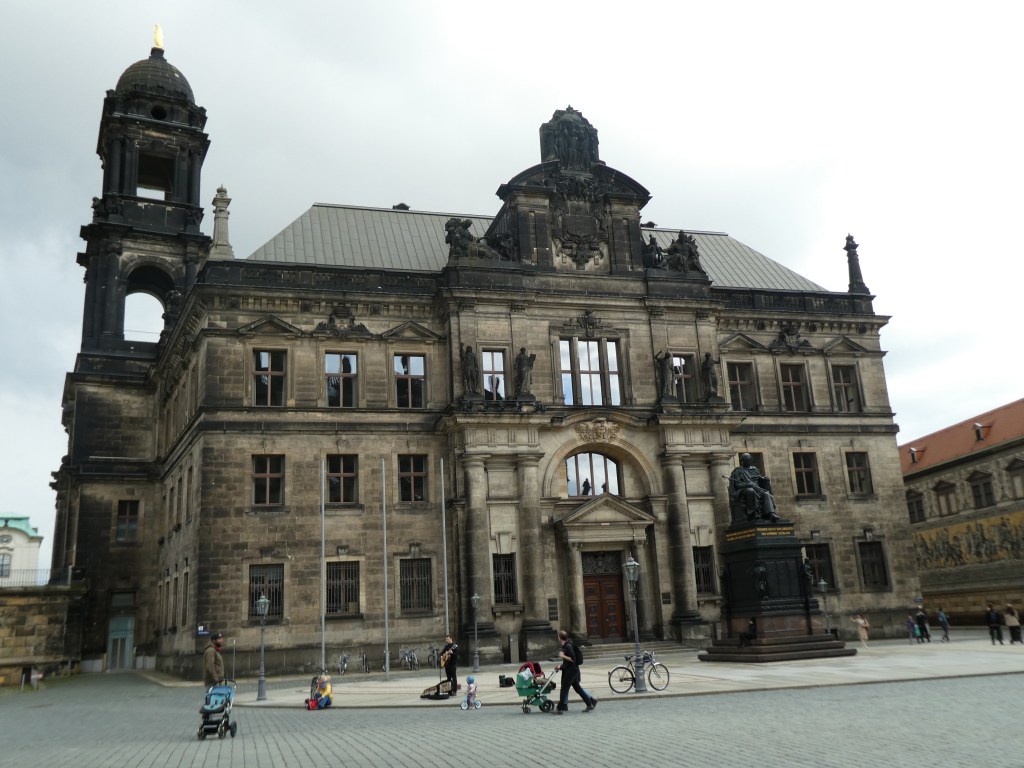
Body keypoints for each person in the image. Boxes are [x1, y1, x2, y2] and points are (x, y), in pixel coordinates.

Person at [554, 629, 597, 714]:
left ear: (560, 638)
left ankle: (559, 708)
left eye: (558, 636)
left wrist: (562, 656)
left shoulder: (568, 646)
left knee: (564, 690)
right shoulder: (566, 645)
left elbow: (572, 659)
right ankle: (589, 704)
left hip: (570, 672)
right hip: (572, 671)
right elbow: (568, 662)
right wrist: (561, 666)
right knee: (578, 688)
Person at [728, 453, 780, 522]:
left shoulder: (755, 469)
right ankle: (752, 513)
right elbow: (737, 485)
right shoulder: (738, 471)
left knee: (766, 494)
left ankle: (771, 514)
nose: (748, 462)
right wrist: (747, 485)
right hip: (744, 490)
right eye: (746, 460)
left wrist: (764, 479)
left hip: (757, 489)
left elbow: (759, 479)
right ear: (742, 461)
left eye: (749, 460)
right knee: (750, 491)